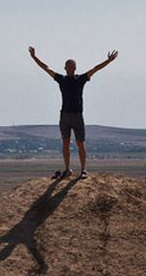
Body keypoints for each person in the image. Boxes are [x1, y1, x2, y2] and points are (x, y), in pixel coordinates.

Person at [28, 46, 118, 179]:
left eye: (72, 66)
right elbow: (46, 68)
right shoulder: (61, 79)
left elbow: (95, 69)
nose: (70, 68)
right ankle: (67, 169)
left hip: (77, 115)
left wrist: (108, 61)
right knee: (65, 142)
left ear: (75, 68)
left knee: (80, 143)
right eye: (68, 66)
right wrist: (34, 57)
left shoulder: (80, 79)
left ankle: (83, 170)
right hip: (65, 115)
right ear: (65, 68)